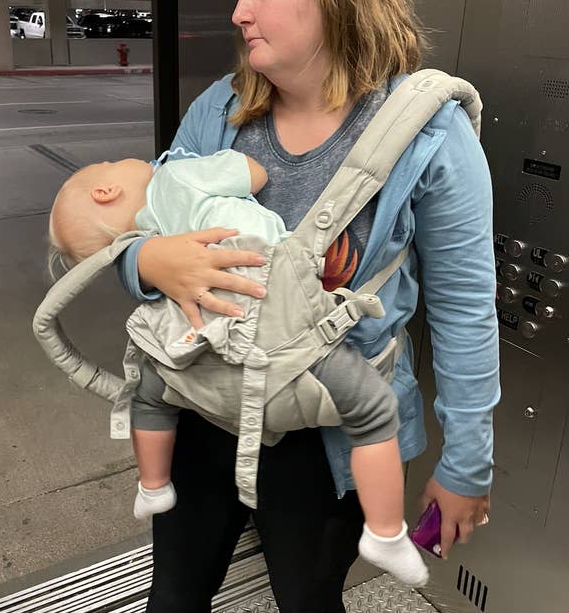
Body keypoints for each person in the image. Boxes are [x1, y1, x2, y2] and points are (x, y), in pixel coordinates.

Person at [81, 0, 499, 613]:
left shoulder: (426, 133)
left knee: (307, 601)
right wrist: (141, 261)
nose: (240, 11)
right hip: (202, 396)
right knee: (180, 570)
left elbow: (463, 308)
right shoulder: (221, 113)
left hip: (329, 427)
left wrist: (466, 461)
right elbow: (137, 224)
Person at [48, 148, 429, 587]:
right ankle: (385, 532)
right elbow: (253, 172)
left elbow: (138, 268)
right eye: (110, 161)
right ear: (105, 189)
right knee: (374, 409)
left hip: (205, 339)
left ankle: (153, 485)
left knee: (149, 395)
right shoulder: (175, 177)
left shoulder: (151, 233)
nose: (139, 160)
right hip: (277, 318)